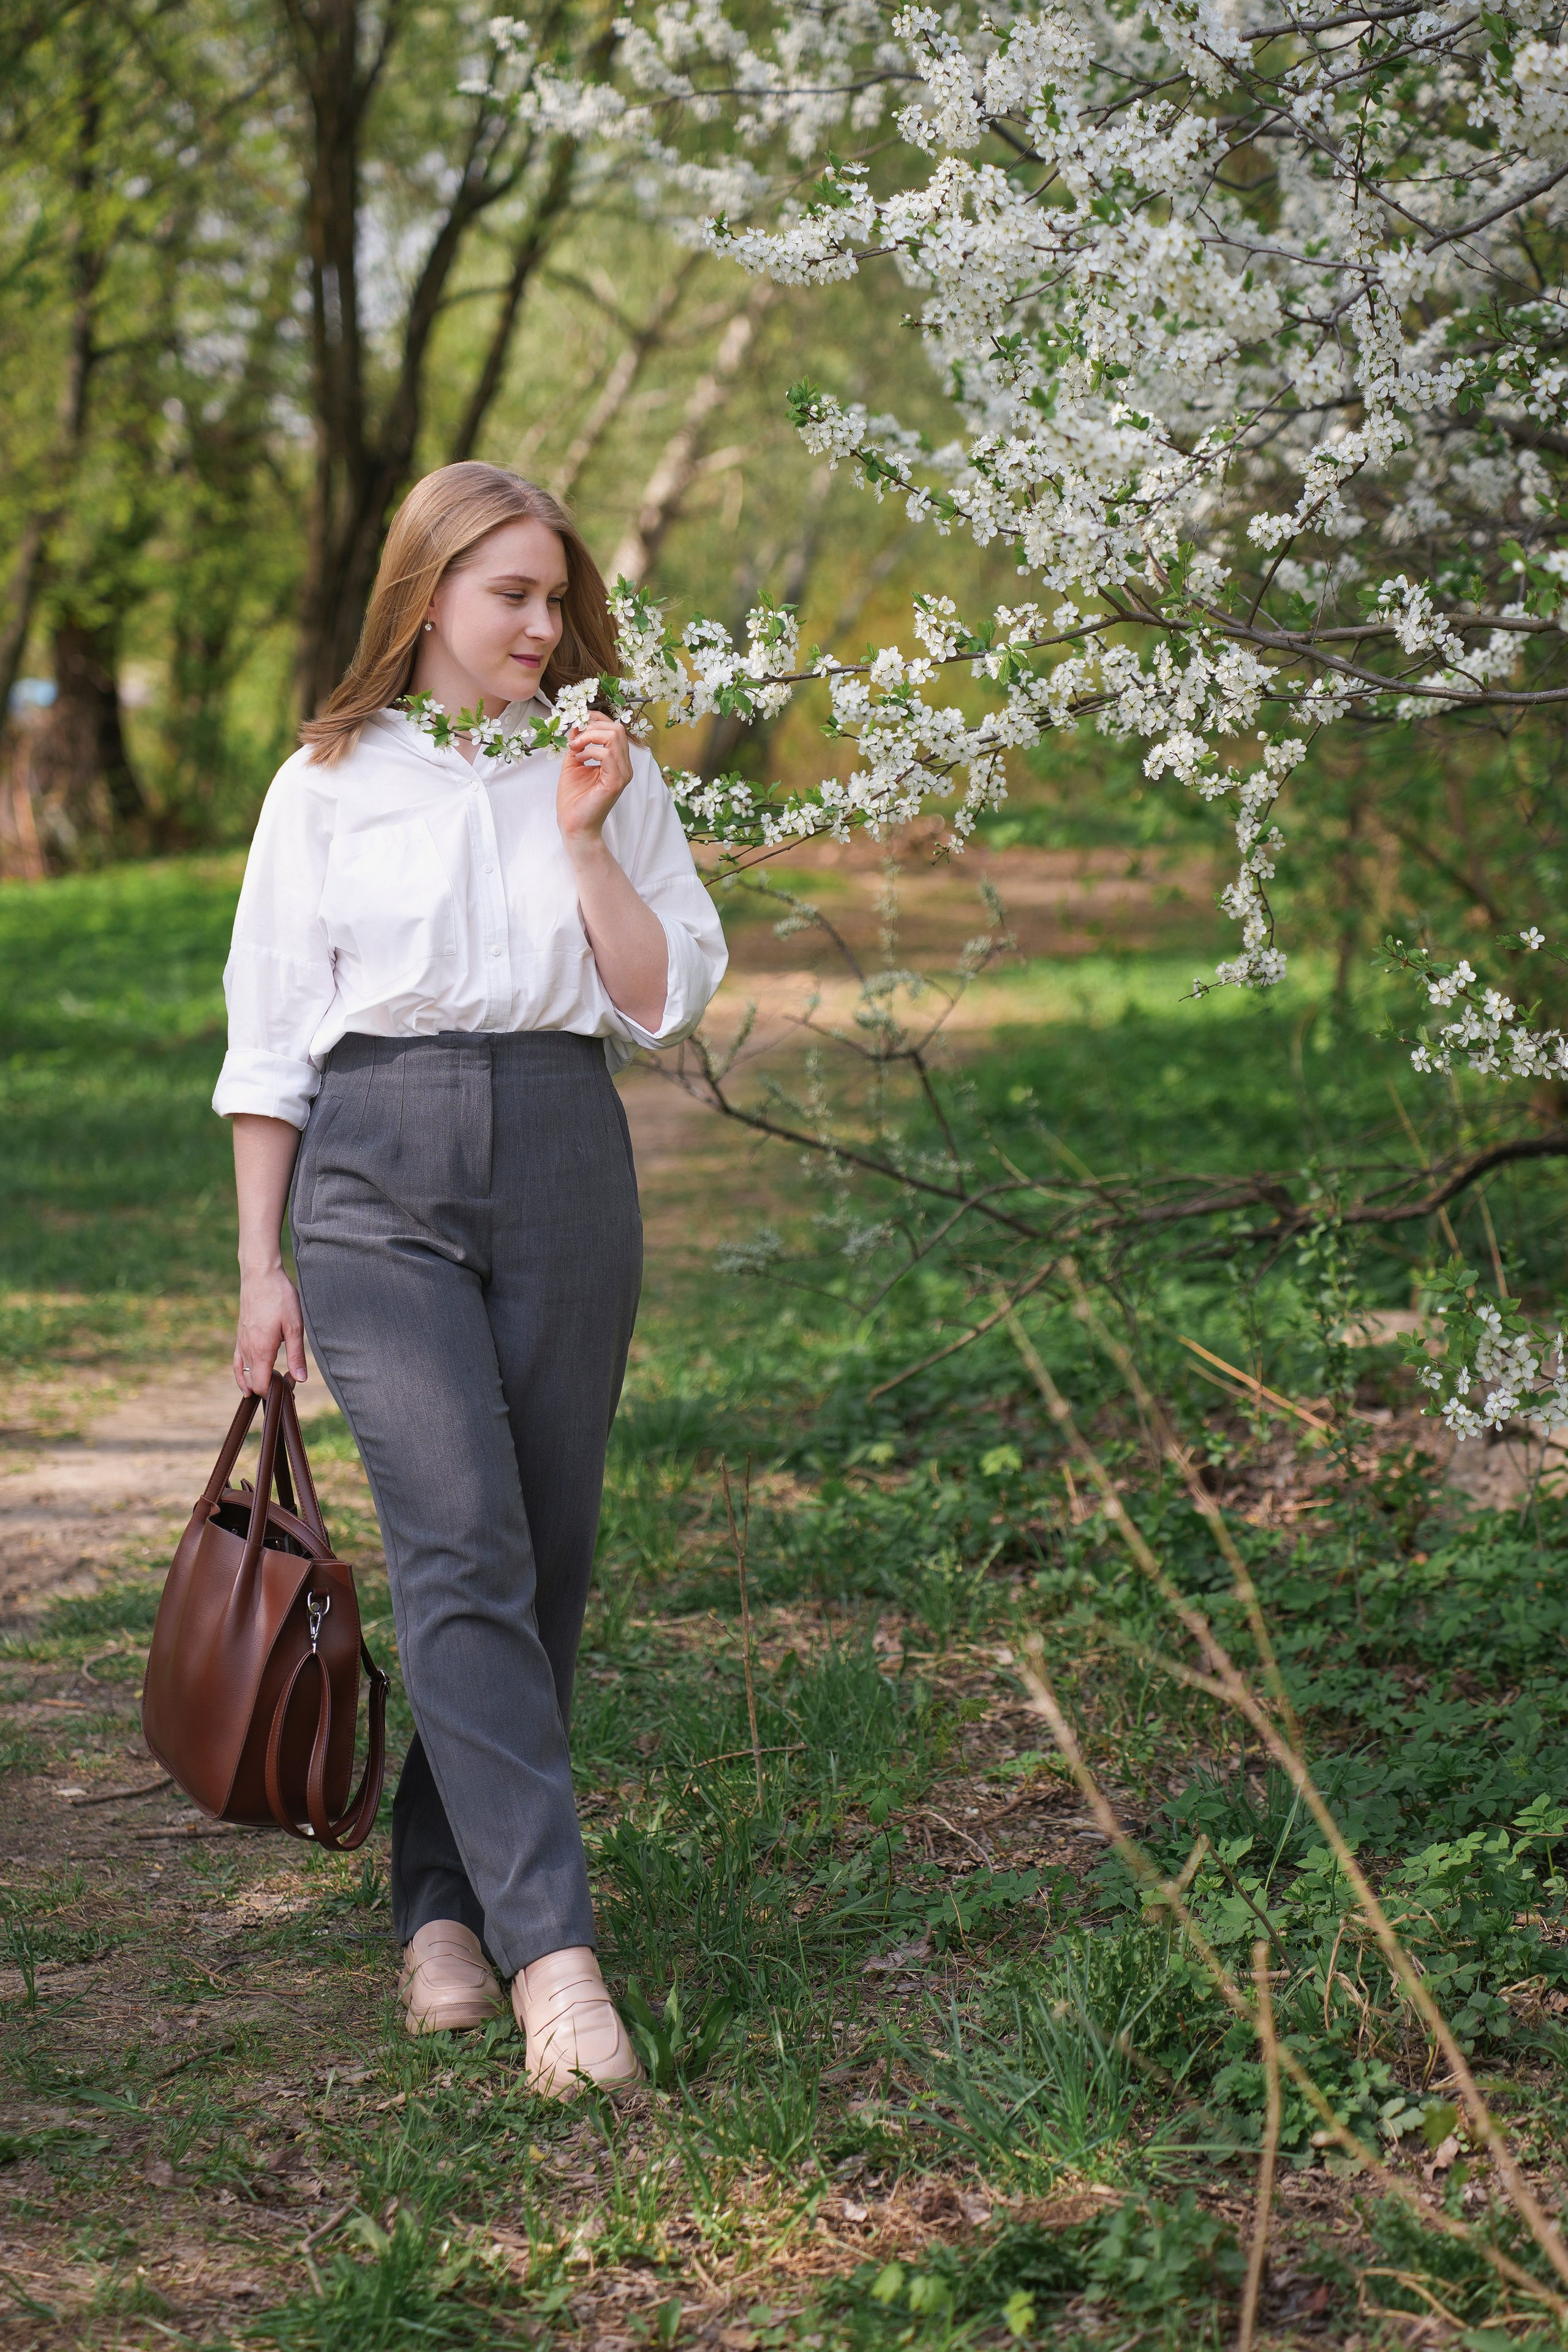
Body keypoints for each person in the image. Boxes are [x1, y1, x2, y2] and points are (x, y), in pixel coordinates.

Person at [212, 461, 727, 2094]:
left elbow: (660, 999)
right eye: (513, 593)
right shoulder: (326, 780)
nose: (544, 624)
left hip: (565, 1149)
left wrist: (585, 839)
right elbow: (268, 1037)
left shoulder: (604, 767)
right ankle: (556, 1962)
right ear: (426, 591)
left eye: (558, 596)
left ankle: (441, 1908)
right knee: (458, 1538)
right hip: (377, 1168)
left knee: (542, 1553)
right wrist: (260, 1269)